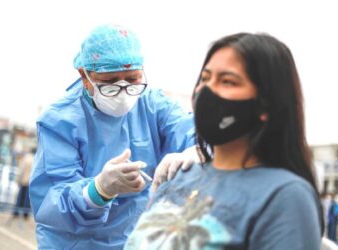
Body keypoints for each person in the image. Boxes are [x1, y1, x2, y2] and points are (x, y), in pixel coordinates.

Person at [125, 32, 324, 249]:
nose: (208, 90)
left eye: (227, 81)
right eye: (205, 78)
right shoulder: (179, 177)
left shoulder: (285, 196)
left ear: (266, 103)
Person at [29, 24, 196, 249]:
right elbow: (51, 202)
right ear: (84, 76)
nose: (123, 91)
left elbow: (190, 130)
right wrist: (98, 190)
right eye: (109, 82)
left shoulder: (152, 104)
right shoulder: (60, 120)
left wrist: (198, 149)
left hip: (134, 239)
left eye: (133, 79)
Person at [13, 148, 35, 219]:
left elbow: (21, 170)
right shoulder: (35, 159)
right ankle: (25, 214)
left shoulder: (26, 158)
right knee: (27, 199)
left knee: (20, 197)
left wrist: (18, 179)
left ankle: (16, 212)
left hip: (24, 181)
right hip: (30, 182)